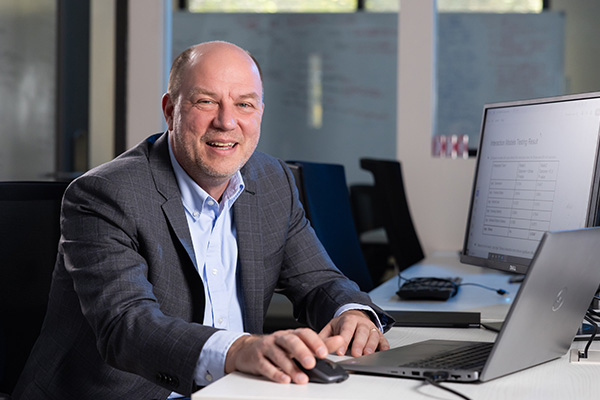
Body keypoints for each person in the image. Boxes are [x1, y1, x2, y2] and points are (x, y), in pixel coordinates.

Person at [13, 41, 393, 400]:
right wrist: (240, 349)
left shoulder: (274, 180)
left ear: (260, 112)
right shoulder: (105, 194)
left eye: (244, 104)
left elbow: (319, 281)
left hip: (234, 390)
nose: (226, 122)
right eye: (206, 101)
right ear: (169, 110)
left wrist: (352, 313)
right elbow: (126, 326)